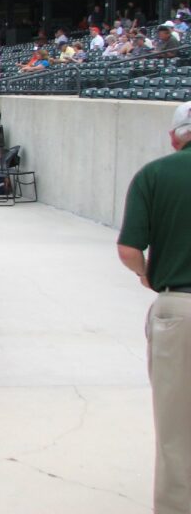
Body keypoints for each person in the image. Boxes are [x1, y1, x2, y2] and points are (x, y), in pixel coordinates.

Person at [116, 101, 191, 514]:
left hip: (180, 306)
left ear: (174, 136)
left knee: (178, 431)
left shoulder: (155, 174)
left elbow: (130, 248)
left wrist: (147, 274)